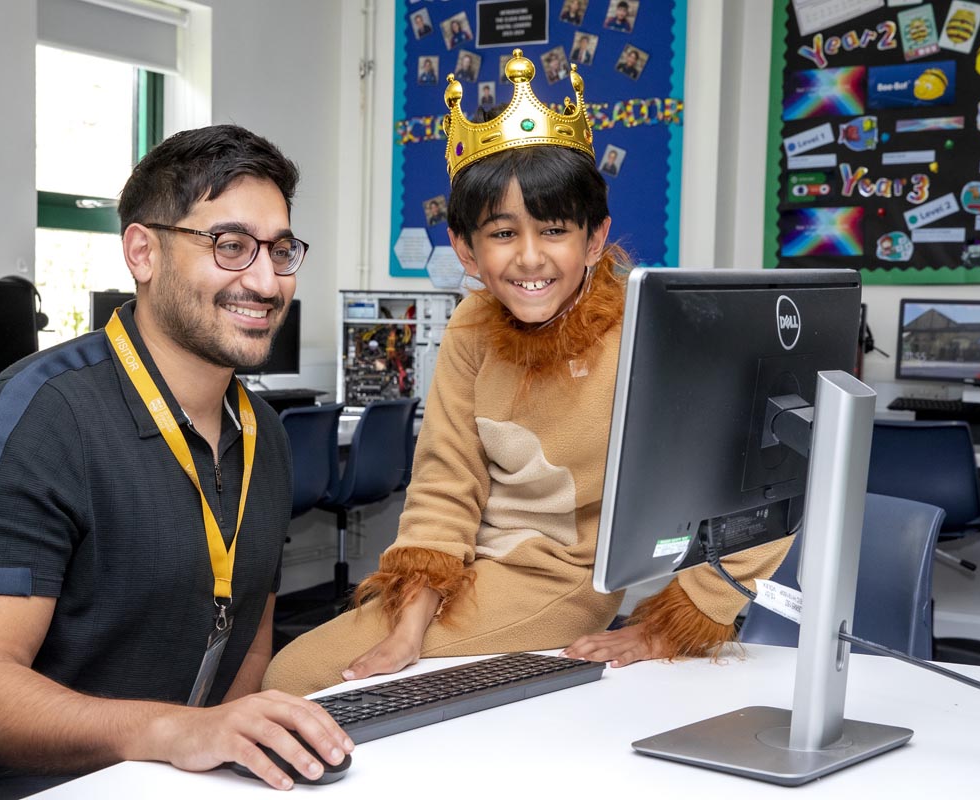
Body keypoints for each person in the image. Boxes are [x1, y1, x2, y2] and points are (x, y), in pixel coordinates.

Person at [262, 51, 789, 698]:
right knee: (318, 677)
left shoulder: (650, 332)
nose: (531, 257)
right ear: (467, 250)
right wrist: (409, 622)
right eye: (504, 233)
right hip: (463, 576)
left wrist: (675, 625)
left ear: (595, 241)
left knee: (291, 678)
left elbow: (765, 486)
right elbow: (444, 486)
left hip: (560, 580)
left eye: (556, 230)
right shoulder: (471, 326)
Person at [0, 125, 354, 800]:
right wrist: (177, 732)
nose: (266, 281)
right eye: (230, 246)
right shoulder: (39, 418)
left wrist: (231, 755)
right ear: (143, 252)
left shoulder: (264, 433)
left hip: (150, 775)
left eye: (281, 250)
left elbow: (248, 648)